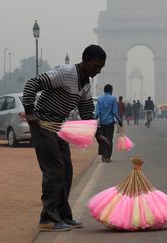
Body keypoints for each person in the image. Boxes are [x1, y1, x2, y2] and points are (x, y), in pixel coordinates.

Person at [22, 44, 106, 232]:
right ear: (85, 60)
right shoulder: (65, 73)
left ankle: (63, 216)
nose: (97, 71)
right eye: (95, 66)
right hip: (42, 124)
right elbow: (31, 84)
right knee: (54, 170)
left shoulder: (85, 83)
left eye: (100, 68)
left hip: (59, 126)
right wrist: (30, 113)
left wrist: (98, 133)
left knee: (66, 170)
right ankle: (47, 219)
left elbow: (86, 110)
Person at [97, 84, 123, 162]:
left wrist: (94, 121)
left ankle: (103, 156)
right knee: (109, 139)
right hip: (110, 122)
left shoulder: (99, 99)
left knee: (102, 139)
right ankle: (107, 157)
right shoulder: (113, 99)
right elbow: (114, 112)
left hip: (101, 122)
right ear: (111, 90)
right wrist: (119, 120)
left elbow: (97, 112)